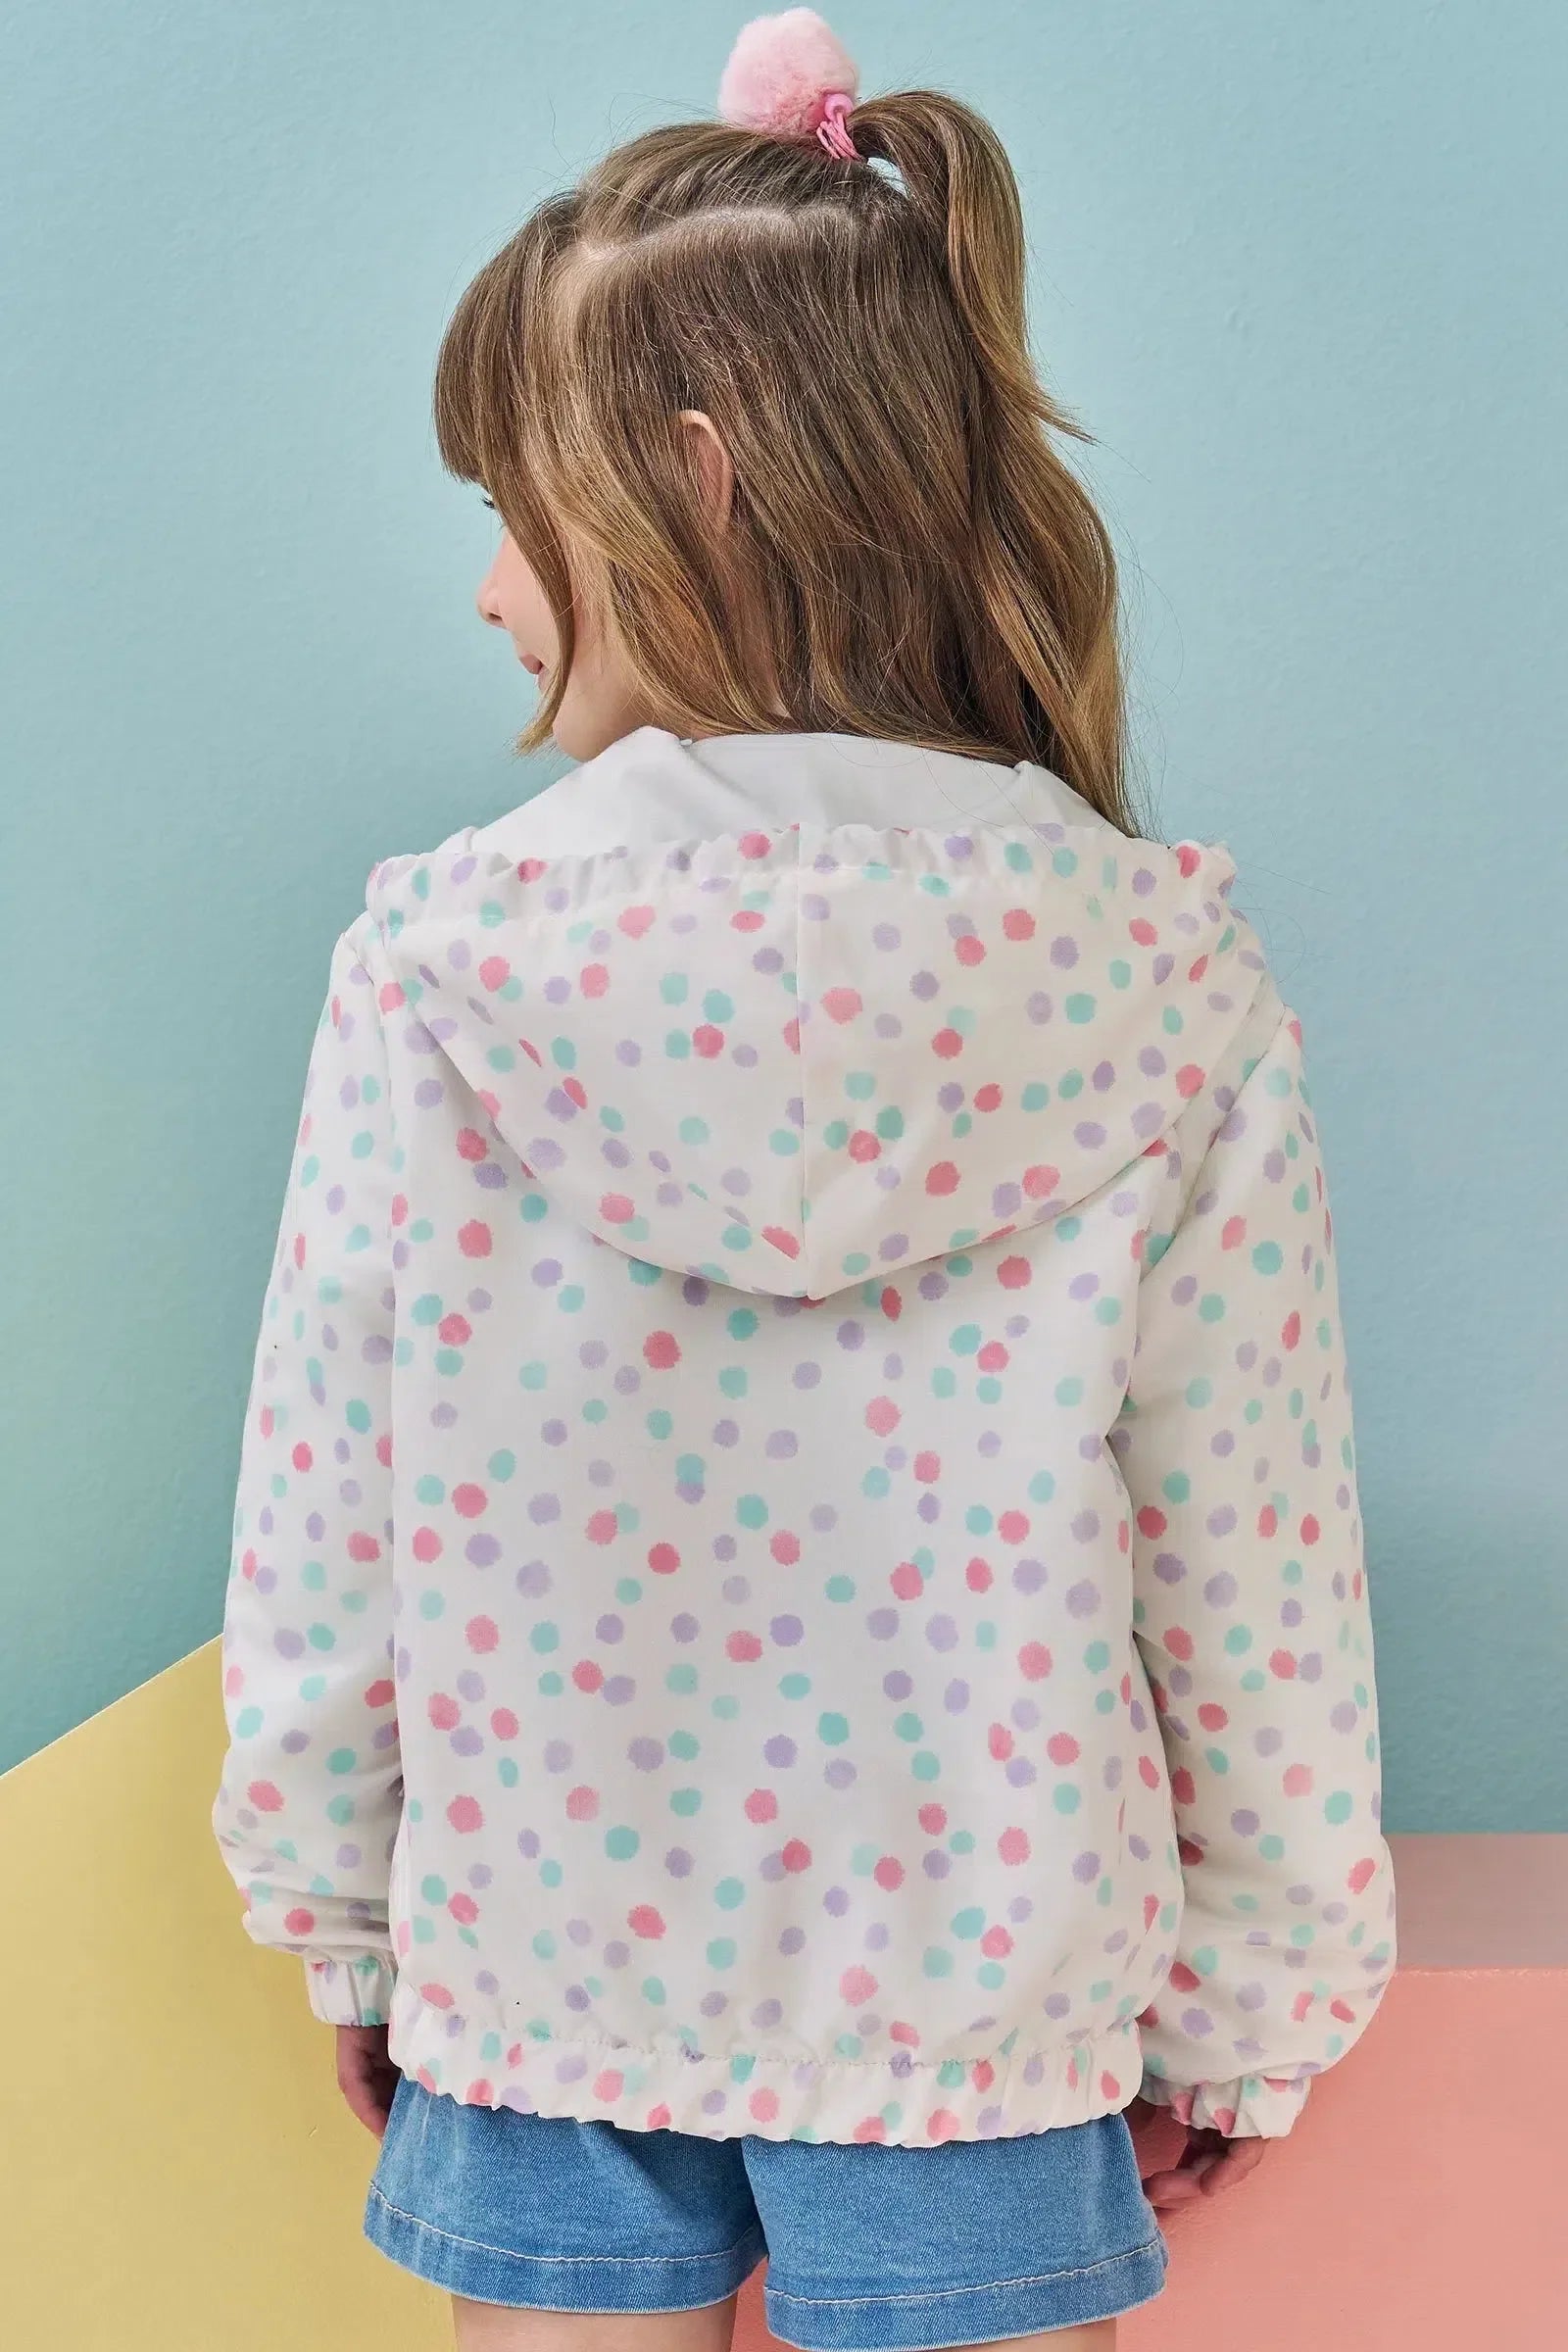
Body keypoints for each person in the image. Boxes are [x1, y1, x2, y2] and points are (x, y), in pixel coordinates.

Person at [212, 12, 1397, 2348]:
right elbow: (1247, 1548)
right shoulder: (1151, 975)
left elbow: (326, 1504)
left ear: (693, 483)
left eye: (506, 509)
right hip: (987, 2004)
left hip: (547, 1968)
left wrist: (340, 1910)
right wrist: (1255, 1997)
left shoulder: (446, 965)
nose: (487, 589)